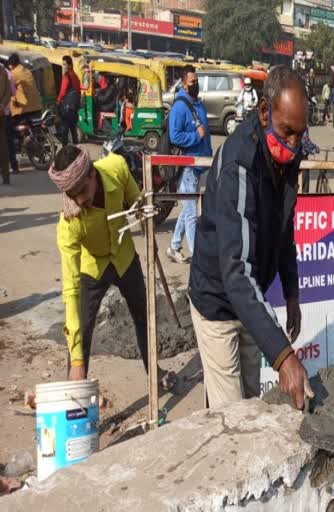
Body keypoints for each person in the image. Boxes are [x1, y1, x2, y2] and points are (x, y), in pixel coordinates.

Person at [188, 65, 311, 410]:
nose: (293, 145)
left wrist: (291, 294)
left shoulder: (289, 157)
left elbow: (284, 229)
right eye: (287, 132)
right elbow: (235, 268)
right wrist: (284, 355)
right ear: (263, 111)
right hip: (217, 299)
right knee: (232, 418)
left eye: (300, 135)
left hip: (249, 299)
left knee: (252, 403)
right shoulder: (238, 165)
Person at [49, 145, 173, 386]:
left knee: (143, 314)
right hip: (93, 267)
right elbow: (71, 290)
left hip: (124, 257)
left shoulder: (116, 168)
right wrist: (76, 362)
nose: (81, 200)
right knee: (82, 329)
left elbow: (139, 203)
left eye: (83, 190)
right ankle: (76, 388)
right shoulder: (69, 223)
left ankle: (154, 372)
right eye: (73, 195)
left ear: (92, 173)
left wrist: (150, 236)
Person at [166, 65, 212, 264]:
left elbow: (206, 135)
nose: (196, 85)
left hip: (200, 164)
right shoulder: (179, 107)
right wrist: (195, 136)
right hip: (186, 166)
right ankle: (197, 256)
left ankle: (174, 246)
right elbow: (174, 136)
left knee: (188, 210)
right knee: (192, 212)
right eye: (192, 82)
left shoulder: (200, 105)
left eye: (196, 81)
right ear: (184, 85)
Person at [57, 55, 81, 144]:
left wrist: (58, 100)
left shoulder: (66, 76)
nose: (64, 66)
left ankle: (65, 150)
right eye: (63, 64)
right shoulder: (75, 76)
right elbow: (78, 91)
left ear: (70, 65)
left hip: (67, 107)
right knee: (73, 129)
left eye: (65, 64)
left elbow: (63, 91)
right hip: (74, 107)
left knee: (65, 130)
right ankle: (76, 148)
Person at [4, 63, 17, 175]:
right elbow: (13, 93)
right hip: (7, 113)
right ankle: (14, 166)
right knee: (9, 141)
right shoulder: (8, 73)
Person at [0, 68, 9, 185]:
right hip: (1, 113)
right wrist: (2, 105)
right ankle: (6, 176)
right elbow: (8, 93)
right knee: (3, 146)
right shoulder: (3, 71)